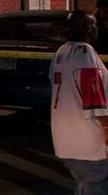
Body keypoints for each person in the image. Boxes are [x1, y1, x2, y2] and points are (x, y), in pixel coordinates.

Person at [50, 11, 108, 194]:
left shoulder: (61, 51)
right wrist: (107, 129)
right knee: (95, 184)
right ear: (88, 29)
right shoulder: (85, 52)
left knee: (85, 184)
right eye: (95, 25)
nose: (97, 29)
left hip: (65, 136)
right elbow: (93, 98)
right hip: (87, 137)